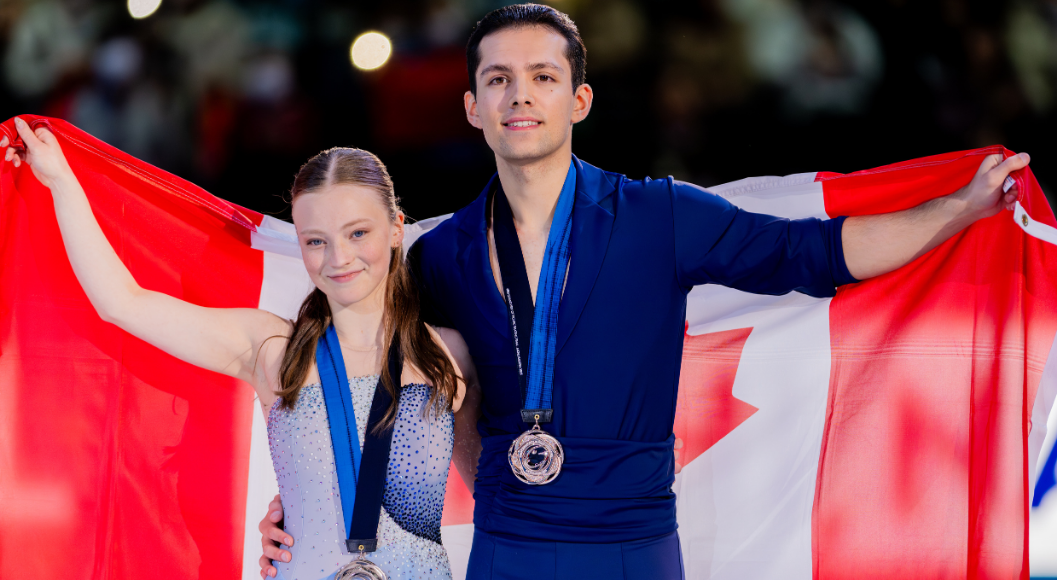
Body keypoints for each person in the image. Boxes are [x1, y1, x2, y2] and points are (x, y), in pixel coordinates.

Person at [252, 4, 1032, 580]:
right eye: (498, 80)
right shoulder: (440, 254)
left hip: (635, 546)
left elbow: (818, 252)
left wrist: (957, 209)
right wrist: (305, 500)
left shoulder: (659, 216)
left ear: (577, 101)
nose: (520, 96)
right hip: (506, 544)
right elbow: (369, 378)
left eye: (542, 78)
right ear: (472, 108)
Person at [0, 122, 485, 580]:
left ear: (397, 228)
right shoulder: (270, 349)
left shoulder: (449, 353)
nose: (338, 258)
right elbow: (122, 304)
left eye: (358, 233)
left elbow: (494, 495)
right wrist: (61, 180)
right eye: (316, 241)